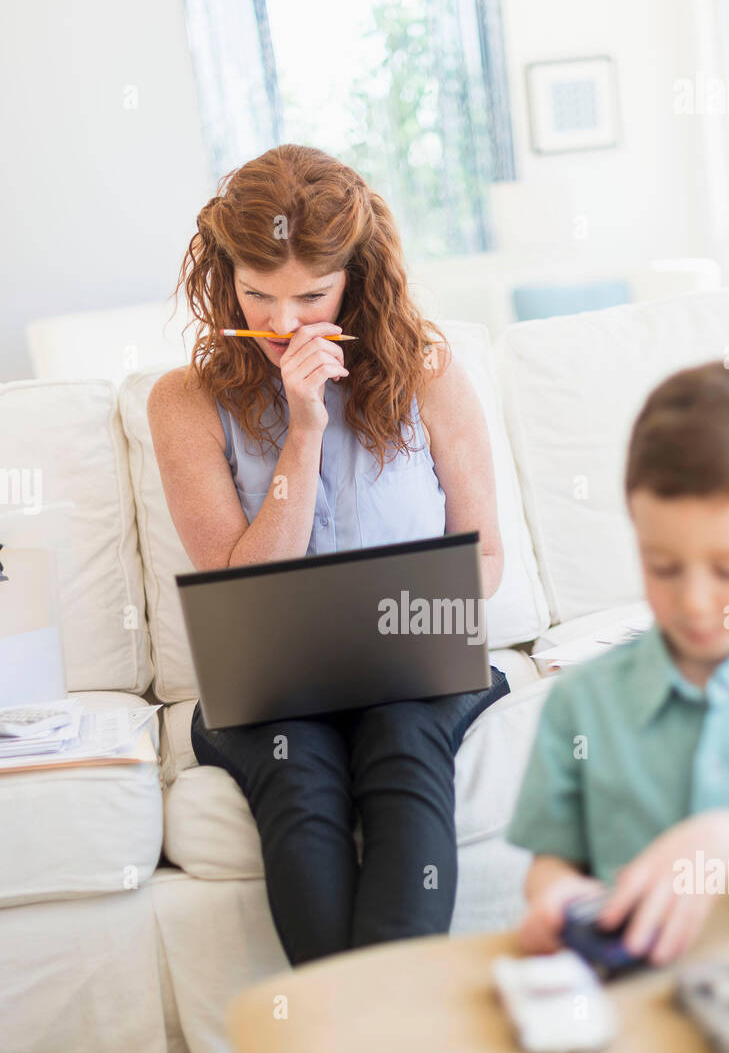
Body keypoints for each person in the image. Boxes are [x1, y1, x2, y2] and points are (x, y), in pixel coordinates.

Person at [147, 143, 509, 964]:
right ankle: (366, 1046)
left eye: (312, 295)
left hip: (413, 663)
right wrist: (301, 427)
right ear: (223, 277)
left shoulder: (426, 370)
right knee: (299, 777)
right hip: (272, 688)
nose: (280, 324)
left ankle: (357, 1051)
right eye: (256, 293)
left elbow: (485, 557)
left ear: (357, 277)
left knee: (403, 744)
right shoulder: (185, 402)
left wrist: (420, 615)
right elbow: (240, 588)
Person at [507, 359, 729, 963]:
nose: (695, 602)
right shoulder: (582, 703)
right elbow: (551, 864)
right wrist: (561, 898)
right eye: (663, 566)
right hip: (639, 998)